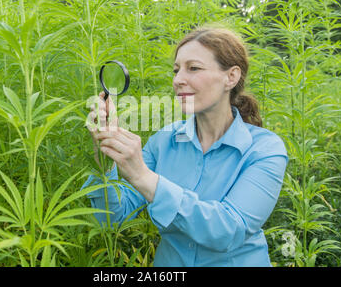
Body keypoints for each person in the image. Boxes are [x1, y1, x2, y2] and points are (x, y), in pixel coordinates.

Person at [82, 26, 289, 267]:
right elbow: (113, 219)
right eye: (176, 70)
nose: (178, 80)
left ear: (231, 77)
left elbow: (229, 230)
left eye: (194, 68)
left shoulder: (265, 149)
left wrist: (143, 177)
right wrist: (104, 150)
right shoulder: (164, 141)